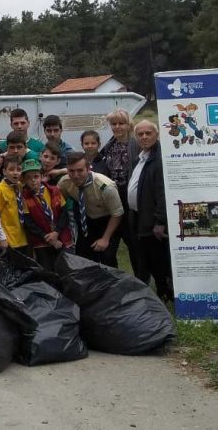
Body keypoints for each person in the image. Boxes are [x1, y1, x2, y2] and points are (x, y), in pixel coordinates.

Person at [128, 121, 173, 301]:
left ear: (157, 134)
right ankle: (161, 292)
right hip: (141, 217)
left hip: (153, 221)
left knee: (158, 260)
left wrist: (160, 221)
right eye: (140, 134)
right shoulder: (142, 156)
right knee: (148, 259)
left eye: (148, 133)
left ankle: (166, 294)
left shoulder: (159, 158)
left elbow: (162, 191)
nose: (144, 137)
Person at [58, 152, 124, 267]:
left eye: (80, 170)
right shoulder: (65, 183)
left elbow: (117, 213)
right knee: (84, 258)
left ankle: (112, 282)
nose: (75, 175)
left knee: (107, 256)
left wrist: (105, 238)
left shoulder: (105, 186)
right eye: (71, 171)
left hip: (107, 220)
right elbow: (59, 203)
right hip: (86, 220)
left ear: (88, 168)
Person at [98, 109, 139, 273]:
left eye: (121, 123)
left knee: (134, 243)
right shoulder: (110, 144)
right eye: (114, 124)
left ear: (128, 124)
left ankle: (140, 279)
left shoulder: (136, 144)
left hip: (129, 195)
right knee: (111, 242)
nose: (117, 127)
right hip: (113, 196)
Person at [19, 159, 73, 272]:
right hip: (41, 240)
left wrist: (56, 232)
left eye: (36, 176)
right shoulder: (24, 198)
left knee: (67, 268)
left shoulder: (54, 190)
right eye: (29, 178)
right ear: (23, 180)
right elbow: (29, 223)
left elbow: (64, 214)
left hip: (61, 236)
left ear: (41, 176)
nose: (33, 181)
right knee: (48, 270)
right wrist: (49, 238)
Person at [0, 155, 28, 256]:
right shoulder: (0, 190)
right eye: (11, 169)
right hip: (6, 238)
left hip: (20, 236)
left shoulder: (19, 186)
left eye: (19, 169)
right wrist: (2, 238)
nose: (15, 172)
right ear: (4, 171)